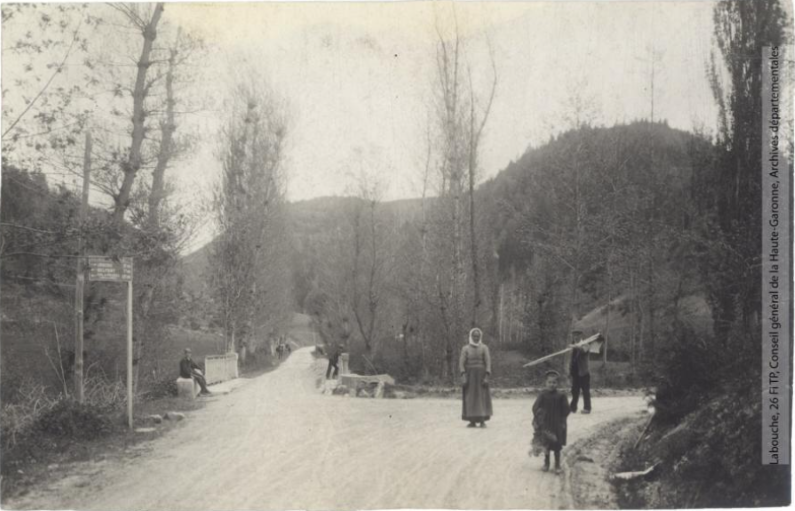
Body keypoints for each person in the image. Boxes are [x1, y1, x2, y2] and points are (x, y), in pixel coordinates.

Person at [532, 370, 570, 474]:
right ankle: (546, 463)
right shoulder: (542, 395)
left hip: (556, 424)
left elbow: (566, 409)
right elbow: (535, 407)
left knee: (557, 444)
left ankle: (557, 464)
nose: (552, 385)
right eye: (549, 382)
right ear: (546, 383)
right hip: (546, 424)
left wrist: (562, 420)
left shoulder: (561, 396)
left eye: (554, 382)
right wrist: (539, 417)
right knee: (546, 444)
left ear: (557, 384)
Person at [459, 327, 493, 428]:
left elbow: (488, 362)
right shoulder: (465, 348)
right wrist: (463, 375)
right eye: (474, 336)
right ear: (471, 336)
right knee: (470, 398)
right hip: (469, 376)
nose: (476, 338)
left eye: (478, 336)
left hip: (481, 376)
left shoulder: (484, 348)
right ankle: (472, 421)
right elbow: (461, 363)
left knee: (481, 398)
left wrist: (487, 376)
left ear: (480, 337)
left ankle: (482, 420)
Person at [569, 338, 592, 414]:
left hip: (584, 372)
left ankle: (587, 408)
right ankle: (573, 408)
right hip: (576, 373)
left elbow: (583, 350)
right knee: (574, 391)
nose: (576, 336)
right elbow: (572, 359)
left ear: (581, 336)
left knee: (585, 391)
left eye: (578, 335)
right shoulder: (573, 346)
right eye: (574, 335)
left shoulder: (586, 345)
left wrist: (575, 346)